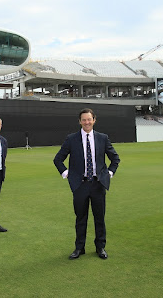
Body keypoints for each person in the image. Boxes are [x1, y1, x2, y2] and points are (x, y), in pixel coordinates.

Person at [54, 108, 120, 259]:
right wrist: (67, 174)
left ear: (94, 120)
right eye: (84, 120)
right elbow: (58, 159)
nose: (87, 122)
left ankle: (100, 247)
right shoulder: (72, 139)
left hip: (98, 185)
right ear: (80, 121)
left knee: (99, 218)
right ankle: (79, 248)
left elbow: (115, 158)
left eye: (89, 119)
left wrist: (108, 174)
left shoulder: (102, 138)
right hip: (80, 185)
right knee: (80, 218)